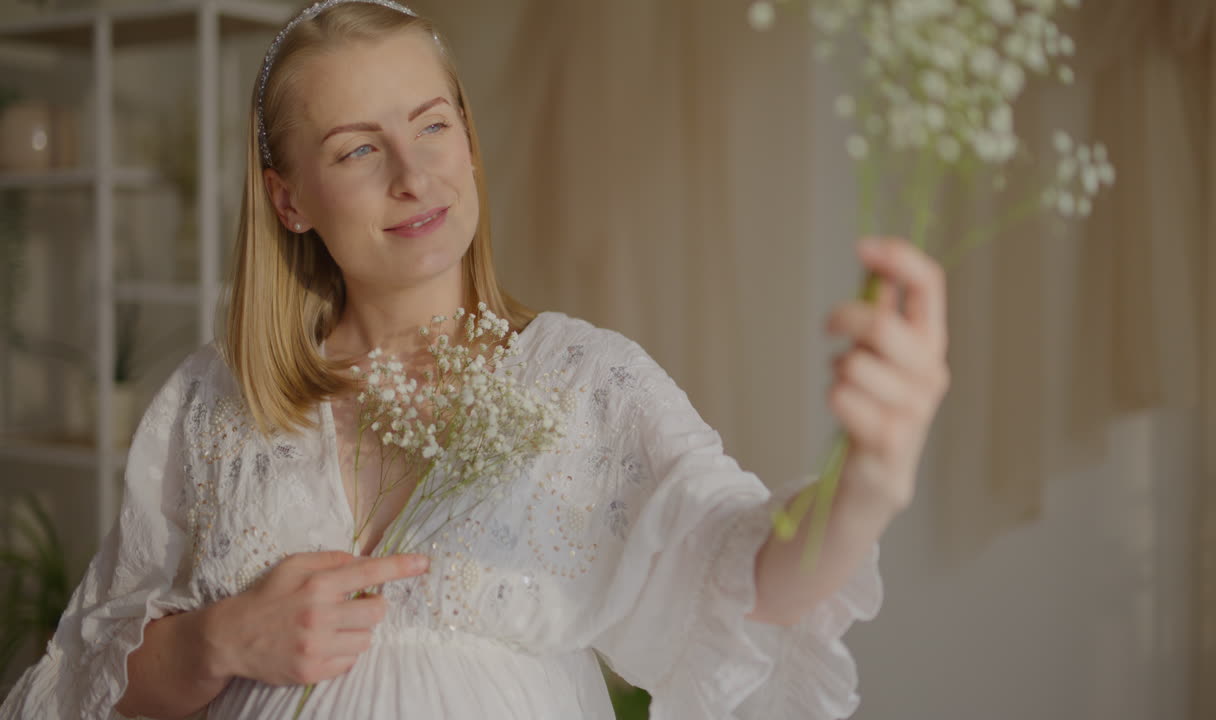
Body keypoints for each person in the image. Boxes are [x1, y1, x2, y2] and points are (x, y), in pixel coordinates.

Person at [0, 0, 949, 718]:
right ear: (289, 200)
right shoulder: (217, 402)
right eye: (357, 149)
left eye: (432, 125)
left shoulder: (583, 382)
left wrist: (870, 477)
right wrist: (218, 638)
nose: (413, 176)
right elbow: (88, 683)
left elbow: (752, 574)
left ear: (468, 139)